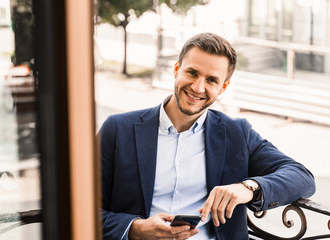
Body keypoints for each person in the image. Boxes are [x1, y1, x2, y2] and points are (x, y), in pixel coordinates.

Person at [100, 32, 315, 240]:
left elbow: (301, 176)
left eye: (211, 80)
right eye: (192, 73)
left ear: (223, 87)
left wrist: (247, 188)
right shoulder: (118, 130)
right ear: (176, 69)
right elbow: (78, 207)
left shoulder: (237, 133)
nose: (197, 87)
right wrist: (135, 229)